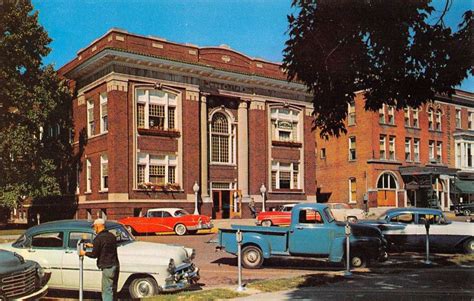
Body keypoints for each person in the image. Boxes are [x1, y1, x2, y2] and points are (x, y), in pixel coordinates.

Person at [79, 218, 120, 301]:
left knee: (107, 291)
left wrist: (84, 253)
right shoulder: (111, 236)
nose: (94, 229)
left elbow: (94, 254)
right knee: (113, 290)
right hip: (115, 265)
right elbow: (105, 246)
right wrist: (93, 245)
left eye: (94, 227)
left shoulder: (98, 238)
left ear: (98, 226)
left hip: (107, 267)